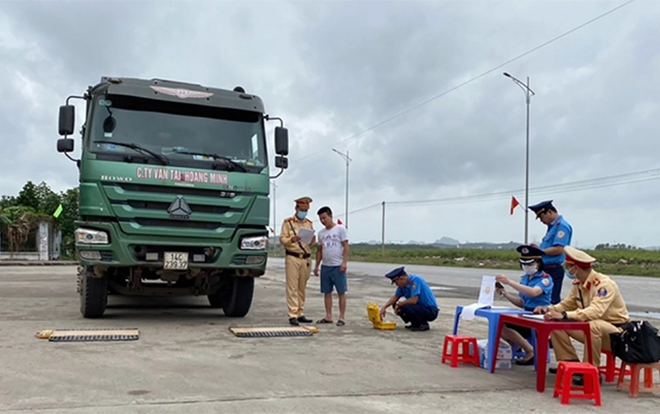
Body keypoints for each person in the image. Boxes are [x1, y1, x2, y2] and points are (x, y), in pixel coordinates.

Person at [535, 246, 630, 385]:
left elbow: (595, 312)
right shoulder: (579, 284)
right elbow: (567, 304)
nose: (568, 271)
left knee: (593, 325)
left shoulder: (604, 285)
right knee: (555, 323)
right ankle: (571, 363)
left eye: (568, 267)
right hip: (593, 331)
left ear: (576, 268)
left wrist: (565, 315)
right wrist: (549, 309)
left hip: (616, 334)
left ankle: (591, 371)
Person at [495, 245, 553, 365]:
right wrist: (505, 294)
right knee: (499, 324)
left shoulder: (545, 279)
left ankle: (530, 351)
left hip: (539, 316)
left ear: (538, 262)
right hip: (526, 313)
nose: (527, 267)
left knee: (505, 325)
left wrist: (509, 282)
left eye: (530, 264)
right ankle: (517, 346)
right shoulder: (525, 279)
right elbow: (522, 302)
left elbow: (533, 293)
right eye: (524, 264)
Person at [279, 196, 316, 326]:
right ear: (296, 208)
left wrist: (312, 242)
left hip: (305, 258)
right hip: (293, 257)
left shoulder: (309, 223)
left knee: (302, 287)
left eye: (306, 209)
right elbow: (282, 239)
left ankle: (300, 313)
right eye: (302, 209)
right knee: (292, 287)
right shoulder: (288, 222)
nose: (304, 211)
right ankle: (292, 314)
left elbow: (309, 244)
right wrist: (292, 240)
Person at [528, 200, 573, 304]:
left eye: (541, 217)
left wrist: (540, 251)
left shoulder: (562, 226)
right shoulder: (552, 227)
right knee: (541, 301)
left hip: (553, 270)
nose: (541, 220)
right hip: (545, 269)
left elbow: (559, 249)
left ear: (549, 212)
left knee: (550, 302)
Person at [313, 206, 349, 326]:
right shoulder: (321, 233)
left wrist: (344, 262)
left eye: (324, 218)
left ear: (330, 216)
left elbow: (345, 246)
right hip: (326, 266)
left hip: (337, 265)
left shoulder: (340, 229)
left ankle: (342, 317)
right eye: (321, 219)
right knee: (327, 292)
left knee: (341, 292)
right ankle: (328, 316)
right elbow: (319, 250)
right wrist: (317, 266)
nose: (323, 221)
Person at [379, 267, 439, 331]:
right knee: (395, 304)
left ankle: (423, 324)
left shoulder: (415, 280)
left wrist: (399, 304)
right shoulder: (402, 286)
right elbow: (395, 297)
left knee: (407, 306)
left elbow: (413, 300)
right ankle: (415, 323)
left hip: (430, 310)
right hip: (419, 307)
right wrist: (384, 307)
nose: (396, 285)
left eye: (396, 282)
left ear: (401, 278)